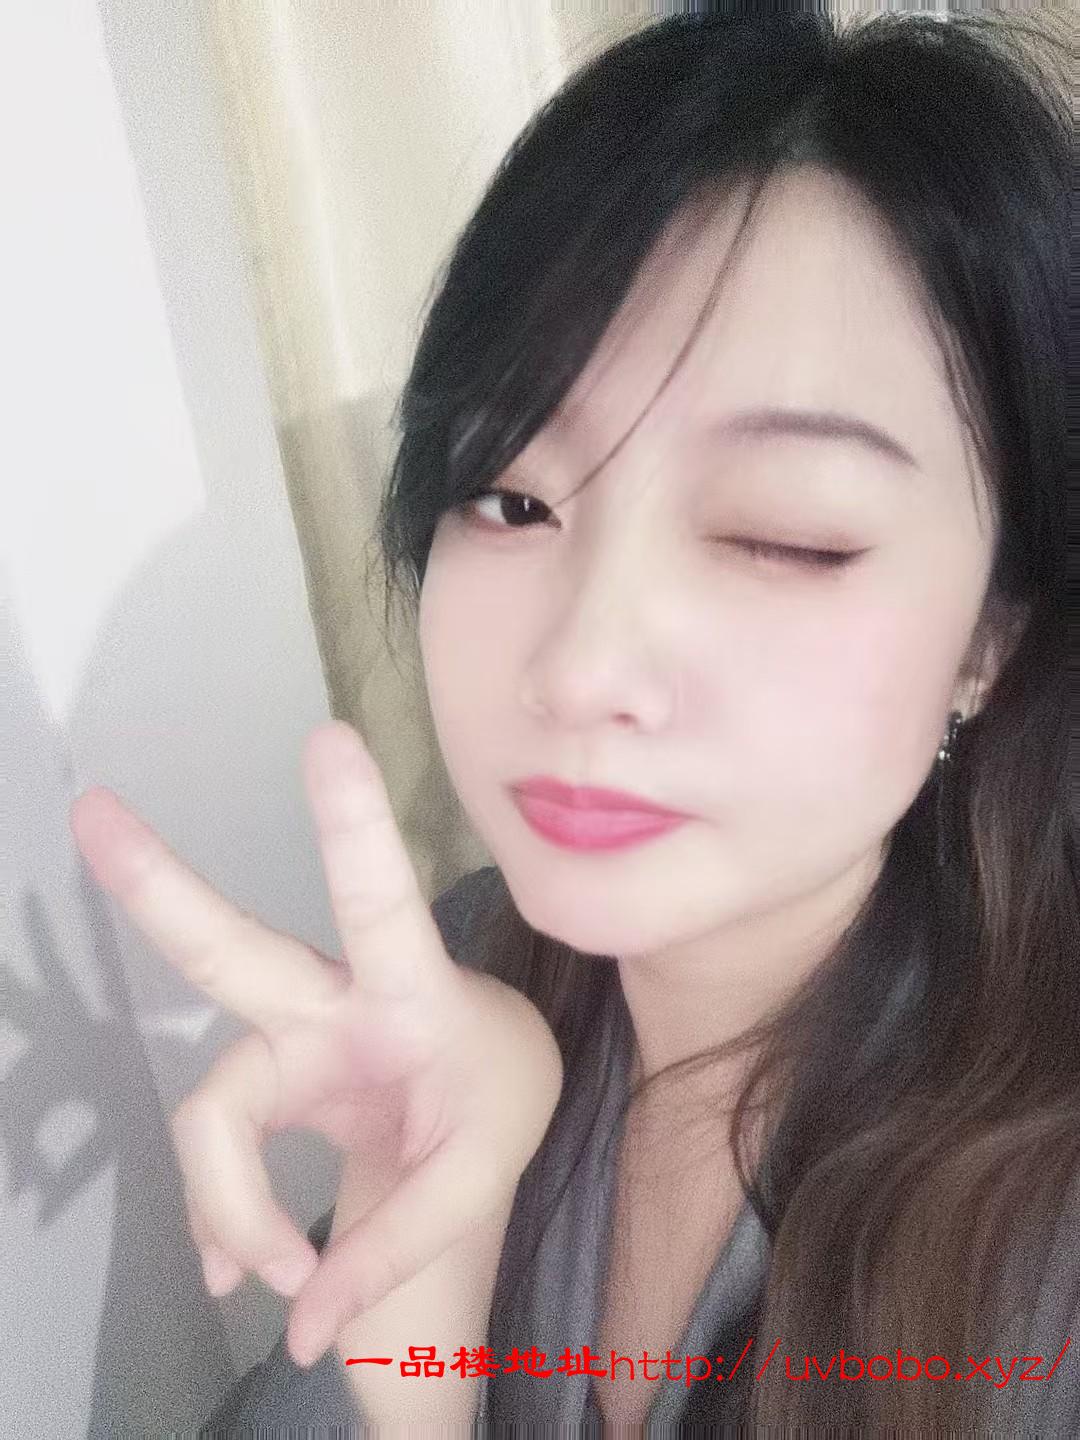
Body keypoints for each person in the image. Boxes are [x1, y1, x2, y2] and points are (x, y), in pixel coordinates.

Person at [69, 5, 1077, 1432]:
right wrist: (420, 1301)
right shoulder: (465, 978)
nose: (584, 662)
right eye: (513, 498)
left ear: (991, 637)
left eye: (782, 535)